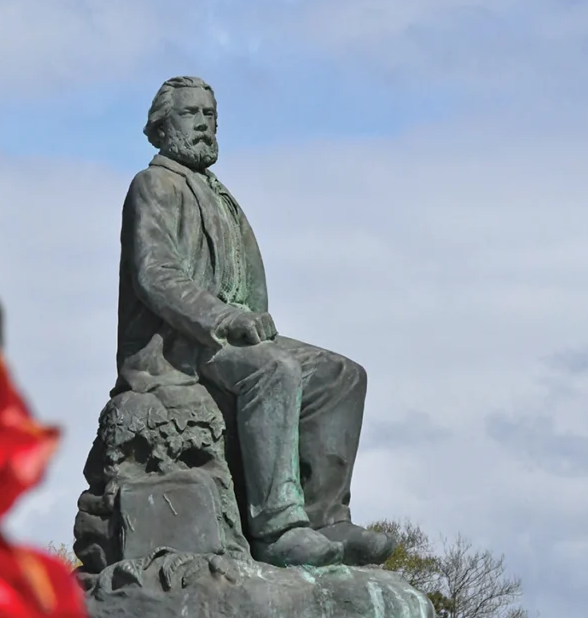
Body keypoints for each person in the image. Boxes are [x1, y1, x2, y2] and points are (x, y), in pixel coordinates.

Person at [113, 76, 395, 567]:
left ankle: (328, 517)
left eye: (211, 114)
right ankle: (278, 528)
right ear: (161, 126)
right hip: (182, 344)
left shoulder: (219, 194)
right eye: (192, 114)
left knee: (342, 375)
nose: (205, 123)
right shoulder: (154, 184)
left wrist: (251, 323)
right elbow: (155, 275)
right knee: (274, 371)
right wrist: (225, 319)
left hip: (233, 335)